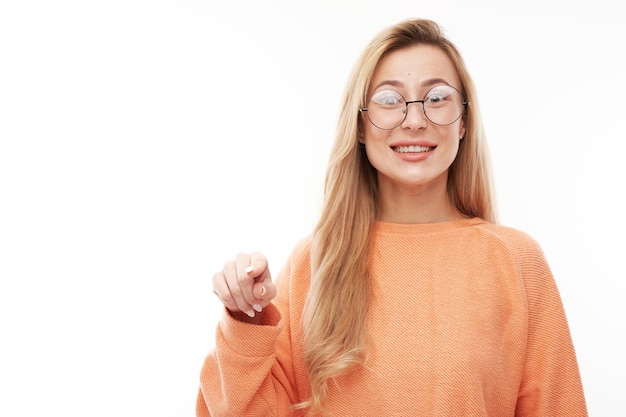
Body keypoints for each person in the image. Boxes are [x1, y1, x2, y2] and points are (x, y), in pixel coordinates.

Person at [196, 18, 588, 417]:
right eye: (389, 99)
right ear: (362, 125)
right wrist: (246, 320)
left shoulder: (517, 261)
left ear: (465, 120)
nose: (415, 120)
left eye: (436, 97)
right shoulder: (312, 263)